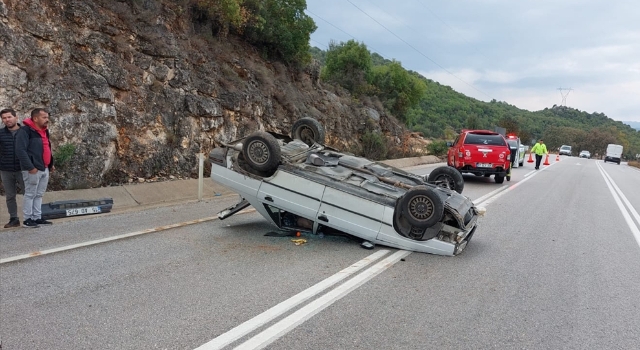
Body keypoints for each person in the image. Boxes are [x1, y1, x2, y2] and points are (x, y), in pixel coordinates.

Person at [15, 108, 54, 228]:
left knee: (39, 194)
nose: (47, 120)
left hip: (44, 168)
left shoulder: (44, 131)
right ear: (35, 118)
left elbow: (47, 147)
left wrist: (51, 164)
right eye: (44, 117)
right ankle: (28, 219)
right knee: (30, 194)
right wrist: (30, 167)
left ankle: (37, 217)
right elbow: (20, 150)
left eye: (47, 117)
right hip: (33, 169)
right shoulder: (25, 131)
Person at [0, 108, 26, 228]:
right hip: (6, 169)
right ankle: (14, 219)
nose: (7, 120)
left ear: (16, 117)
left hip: (24, 169)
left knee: (28, 194)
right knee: (10, 196)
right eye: (4, 118)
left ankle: (30, 217)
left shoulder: (25, 132)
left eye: (9, 117)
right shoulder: (0, 133)